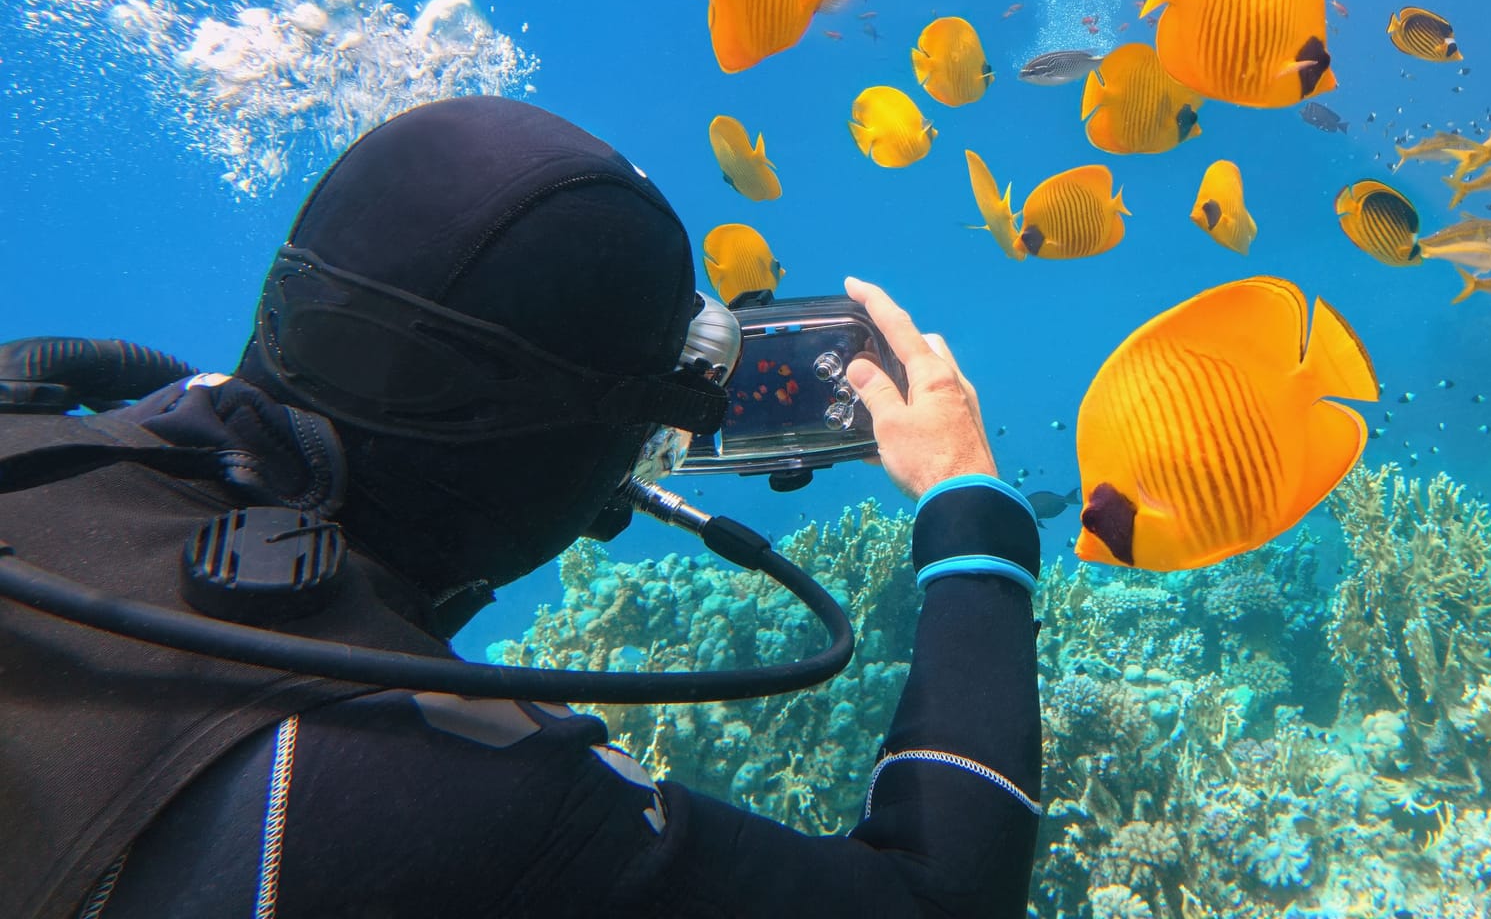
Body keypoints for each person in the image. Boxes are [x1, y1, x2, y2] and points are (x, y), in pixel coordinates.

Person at [0, 96, 1042, 918]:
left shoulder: (40, 436)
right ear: (560, 447)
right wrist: (969, 504)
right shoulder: (440, 793)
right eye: (649, 417)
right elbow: (936, 898)